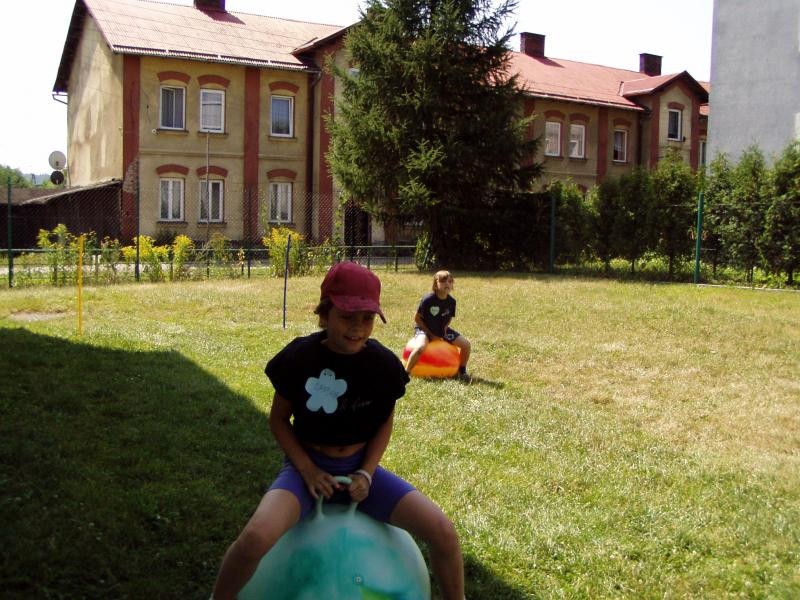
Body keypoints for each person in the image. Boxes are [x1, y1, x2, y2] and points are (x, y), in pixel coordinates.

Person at [212, 261, 465, 600]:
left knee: (443, 532)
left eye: (367, 318)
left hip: (360, 471)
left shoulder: (382, 365)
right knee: (254, 539)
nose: (357, 328)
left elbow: (384, 422)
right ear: (324, 313)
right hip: (305, 471)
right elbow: (278, 420)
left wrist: (367, 473)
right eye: (347, 316)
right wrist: (308, 470)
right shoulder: (300, 358)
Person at [405, 270, 472, 381]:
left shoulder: (452, 301)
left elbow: (449, 318)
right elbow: (417, 318)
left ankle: (462, 371)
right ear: (436, 284)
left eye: (450, 281)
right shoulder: (427, 300)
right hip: (424, 330)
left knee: (466, 345)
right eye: (443, 281)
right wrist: (431, 335)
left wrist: (444, 330)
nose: (447, 284)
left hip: (441, 330)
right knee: (420, 348)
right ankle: (405, 373)